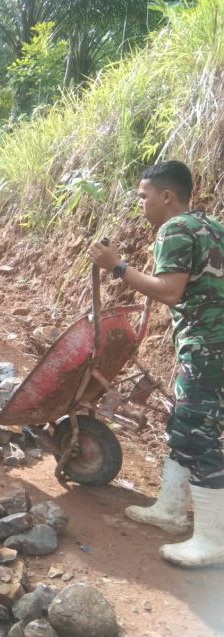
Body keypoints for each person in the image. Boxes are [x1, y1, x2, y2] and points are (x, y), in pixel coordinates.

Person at [88, 160, 224, 568]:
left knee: (199, 436)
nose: (141, 204)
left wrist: (116, 266)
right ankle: (169, 510)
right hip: (211, 344)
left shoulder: (176, 229)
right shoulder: (212, 226)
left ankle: (212, 539)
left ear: (167, 196)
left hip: (208, 346)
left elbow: (169, 291)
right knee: (185, 425)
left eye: (144, 196)